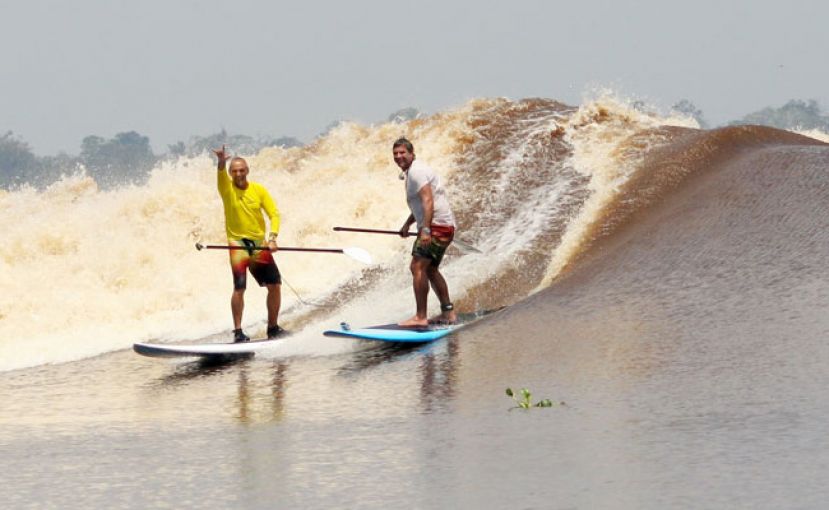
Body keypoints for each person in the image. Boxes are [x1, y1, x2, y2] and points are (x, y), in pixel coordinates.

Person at [212, 145, 285, 342]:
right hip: (237, 245)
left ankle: (273, 328)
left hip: (259, 245)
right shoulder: (226, 189)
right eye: (234, 171)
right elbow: (221, 174)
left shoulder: (259, 190)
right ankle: (238, 332)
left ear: (247, 171)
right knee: (240, 288)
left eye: (241, 170)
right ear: (230, 173)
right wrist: (221, 162)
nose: (238, 174)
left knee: (275, 285)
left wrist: (272, 238)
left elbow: (274, 214)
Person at [392, 137, 458, 327]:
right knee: (430, 269)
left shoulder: (417, 172)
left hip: (436, 227)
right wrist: (407, 224)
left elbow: (428, 201)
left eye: (402, 152)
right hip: (441, 226)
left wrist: (426, 230)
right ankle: (449, 314)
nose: (399, 156)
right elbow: (420, 205)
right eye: (395, 154)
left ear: (412, 153)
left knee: (417, 267)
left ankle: (420, 317)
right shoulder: (413, 171)